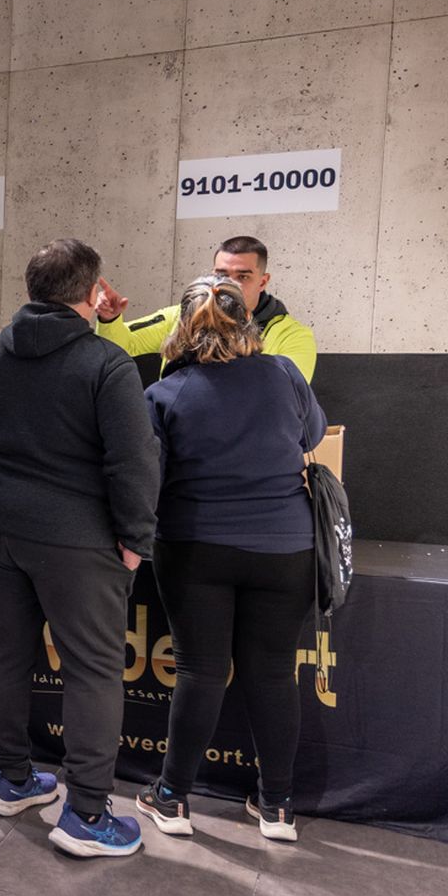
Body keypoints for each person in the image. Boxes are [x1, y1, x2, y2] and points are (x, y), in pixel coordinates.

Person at [0, 237, 159, 858]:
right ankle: (86, 813)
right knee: (91, 668)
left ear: (31, 291)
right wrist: (137, 539)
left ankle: (10, 778)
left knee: (4, 655)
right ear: (92, 294)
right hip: (78, 538)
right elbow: (135, 463)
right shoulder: (106, 365)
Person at [135, 277, 326, 843]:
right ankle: (278, 809)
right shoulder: (285, 374)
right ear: (247, 324)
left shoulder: (164, 395)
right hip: (285, 547)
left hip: (197, 547)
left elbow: (152, 481)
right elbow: (312, 434)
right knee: (272, 673)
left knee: (200, 670)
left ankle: (170, 799)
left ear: (181, 333)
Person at [96, 235, 317, 381]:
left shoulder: (294, 337)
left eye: (243, 276)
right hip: (180, 442)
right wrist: (109, 320)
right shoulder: (180, 316)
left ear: (263, 281)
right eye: (221, 275)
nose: (230, 284)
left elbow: (289, 395)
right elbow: (122, 345)